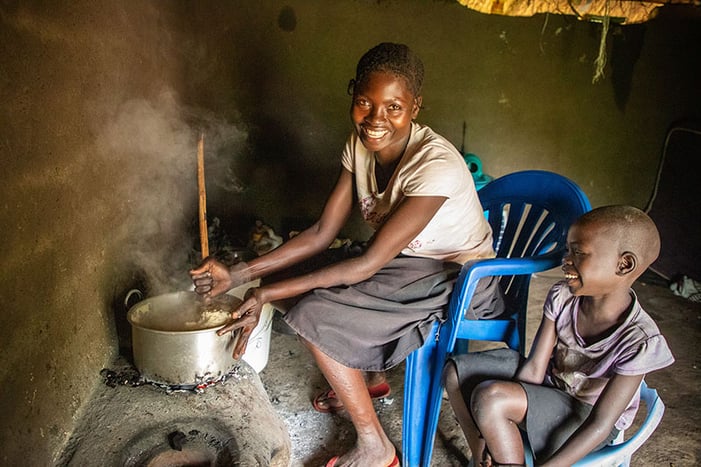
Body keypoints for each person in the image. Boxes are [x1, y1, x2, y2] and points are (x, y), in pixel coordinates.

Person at [190, 42, 504, 466]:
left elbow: (367, 265)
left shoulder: (435, 166)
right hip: (405, 262)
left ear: (416, 107)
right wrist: (240, 274)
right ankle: (370, 378)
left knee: (315, 313)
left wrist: (261, 294)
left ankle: (376, 446)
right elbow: (322, 232)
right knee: (287, 284)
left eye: (394, 107)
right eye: (365, 103)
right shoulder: (358, 147)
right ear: (353, 93)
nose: (376, 120)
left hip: (458, 277)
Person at [443, 205, 675, 467]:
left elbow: (600, 423)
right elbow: (534, 369)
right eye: (568, 250)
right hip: (550, 384)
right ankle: (483, 455)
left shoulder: (640, 341)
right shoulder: (562, 296)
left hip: (584, 419)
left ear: (624, 264)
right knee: (455, 372)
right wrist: (485, 429)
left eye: (578, 252)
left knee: (491, 398)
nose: (566, 260)